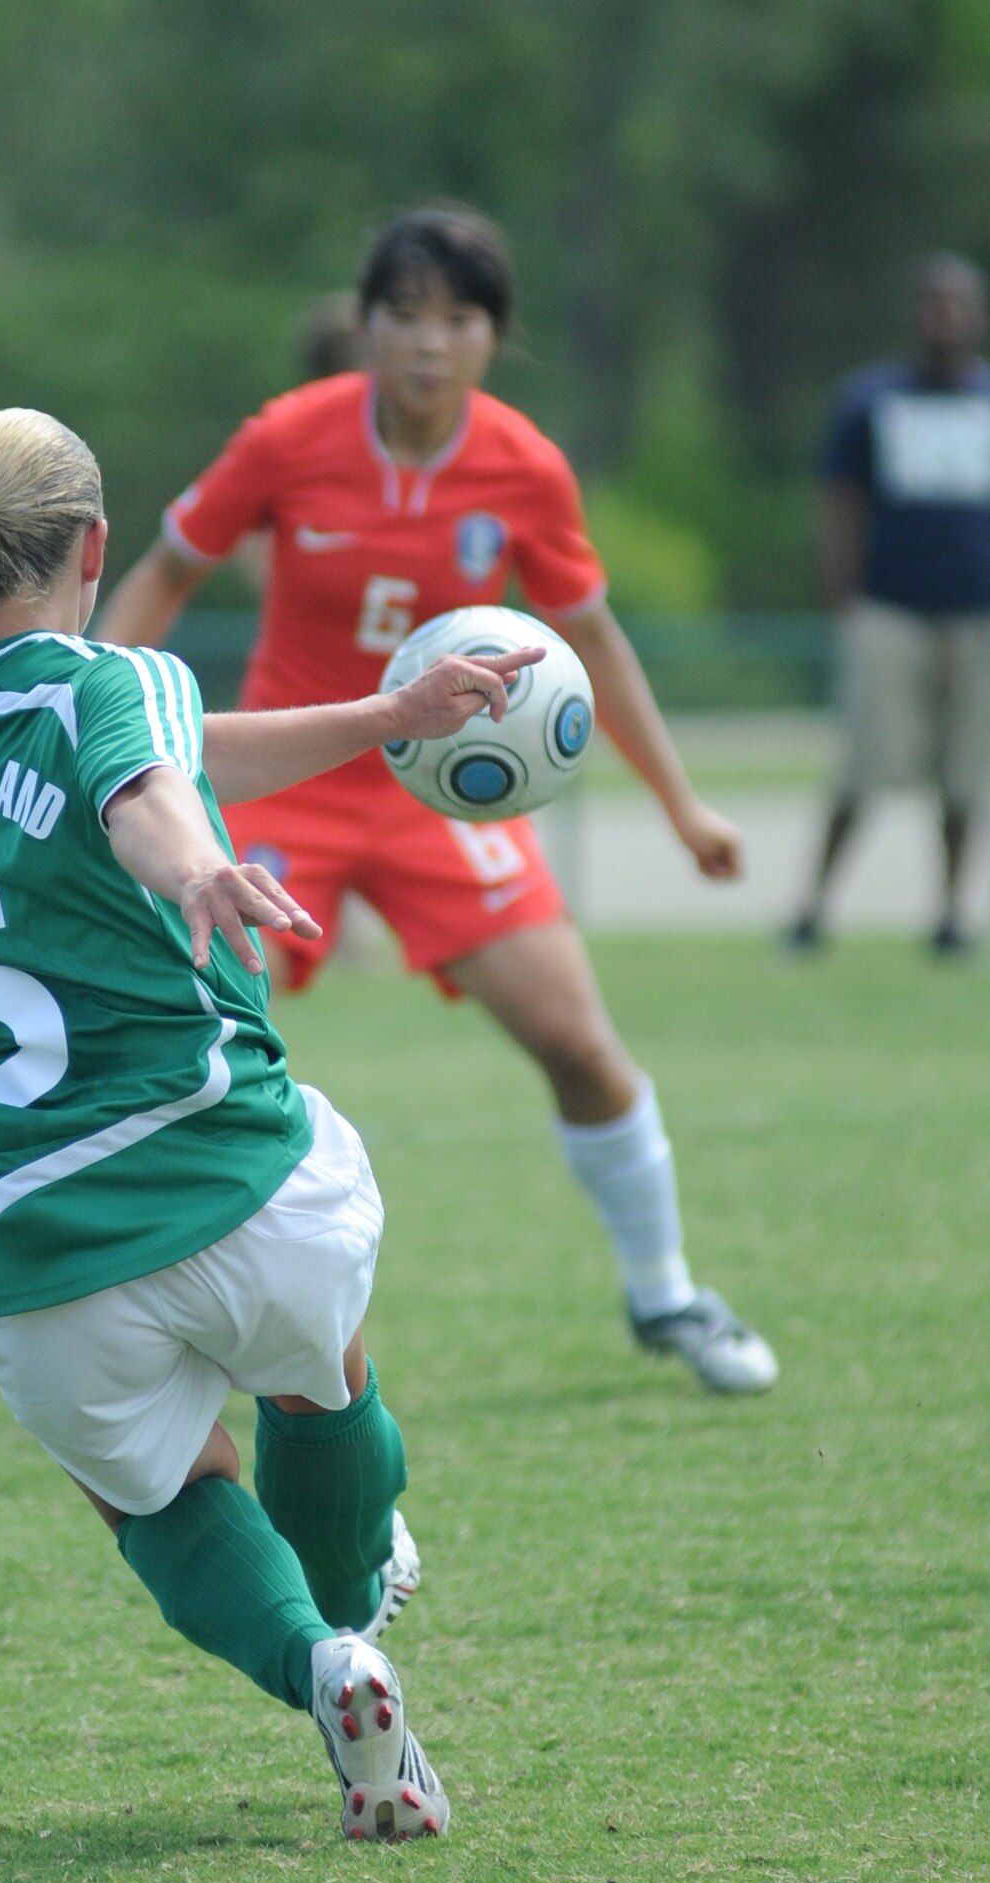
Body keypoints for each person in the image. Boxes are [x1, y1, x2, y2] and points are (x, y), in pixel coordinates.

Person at [0, 406, 540, 1841]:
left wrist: (374, 723)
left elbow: (154, 758)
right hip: (232, 1175)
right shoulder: (122, 685)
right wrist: (197, 868)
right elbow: (151, 784)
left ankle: (322, 1662)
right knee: (322, 1386)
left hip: (24, 1237)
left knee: (161, 1502)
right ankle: (353, 1594)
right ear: (98, 544)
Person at [97, 206, 779, 1395]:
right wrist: (90, 729)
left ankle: (668, 1292)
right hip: (284, 779)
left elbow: (592, 639)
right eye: (401, 315)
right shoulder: (287, 437)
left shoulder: (522, 464)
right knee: (182, 1043)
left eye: (457, 318)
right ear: (361, 327)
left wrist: (683, 805)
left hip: (442, 803)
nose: (427, 342)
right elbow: (163, 573)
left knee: (578, 1041)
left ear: (493, 335)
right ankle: (130, 1316)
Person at [787, 254, 990, 955]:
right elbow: (839, 502)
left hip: (975, 615)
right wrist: (844, 599)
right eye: (934, 304)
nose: (946, 318)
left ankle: (950, 915)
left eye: (958, 305)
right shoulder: (872, 400)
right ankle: (812, 909)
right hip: (891, 610)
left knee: (965, 776)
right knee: (864, 768)